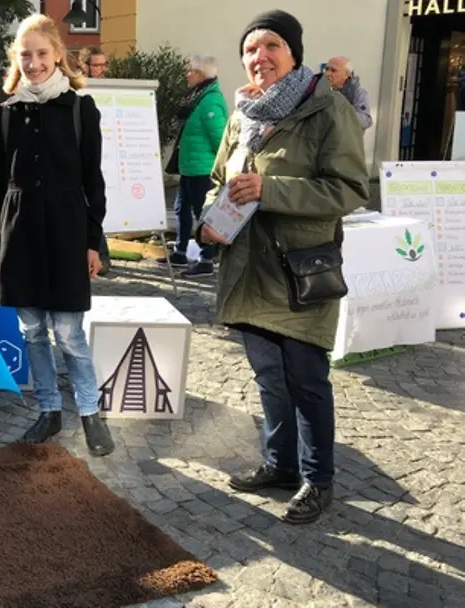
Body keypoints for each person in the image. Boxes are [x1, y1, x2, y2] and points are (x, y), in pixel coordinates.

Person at [197, 10, 369, 523]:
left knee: (306, 381)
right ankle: (280, 465)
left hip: (298, 273)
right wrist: (209, 220)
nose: (260, 57)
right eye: (251, 49)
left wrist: (271, 190)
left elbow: (349, 190)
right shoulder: (241, 114)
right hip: (247, 269)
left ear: (293, 52)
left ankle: (318, 480)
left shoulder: (327, 109)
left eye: (271, 45)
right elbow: (215, 181)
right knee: (270, 378)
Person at [0, 14, 115, 457]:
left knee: (69, 333)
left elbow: (93, 182)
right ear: (16, 60)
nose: (34, 62)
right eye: (26, 55)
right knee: (33, 333)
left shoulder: (81, 108)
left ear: (58, 55)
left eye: (42, 54)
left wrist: (93, 241)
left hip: (66, 231)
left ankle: (89, 411)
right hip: (19, 233)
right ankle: (48, 410)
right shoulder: (4, 112)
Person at [160, 54, 228, 277]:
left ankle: (206, 259)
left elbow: (220, 139)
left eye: (190, 70)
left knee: (204, 214)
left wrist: (220, 170)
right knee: (181, 209)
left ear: (201, 75)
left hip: (203, 170)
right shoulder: (197, 98)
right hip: (189, 168)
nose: (186, 74)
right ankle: (180, 252)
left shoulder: (211, 101)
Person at [77, 45, 112, 275]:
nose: (101, 70)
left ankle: (102, 256)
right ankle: (99, 255)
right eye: (96, 65)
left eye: (103, 65)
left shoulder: (112, 89)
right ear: (85, 66)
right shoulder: (78, 92)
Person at [323, 56, 373, 131]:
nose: (327, 73)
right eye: (326, 69)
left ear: (347, 75)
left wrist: (343, 112)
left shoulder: (358, 92)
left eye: (333, 70)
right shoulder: (320, 89)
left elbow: (366, 121)